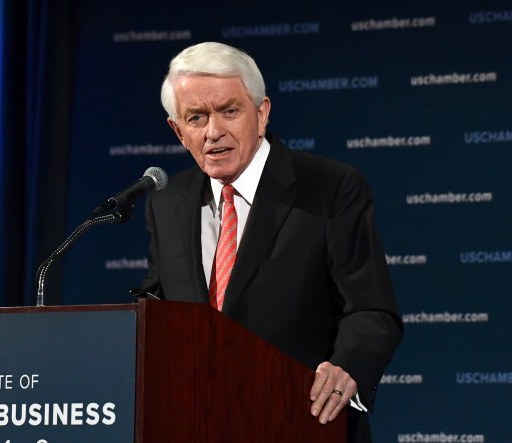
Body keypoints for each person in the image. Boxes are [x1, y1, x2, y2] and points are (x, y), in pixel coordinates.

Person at [141, 41, 403, 443]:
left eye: (230, 111)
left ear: (261, 113)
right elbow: (160, 305)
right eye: (196, 117)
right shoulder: (166, 202)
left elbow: (371, 309)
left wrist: (346, 366)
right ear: (178, 130)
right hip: (196, 423)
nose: (214, 132)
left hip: (301, 421)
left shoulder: (330, 188)